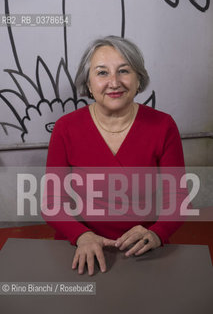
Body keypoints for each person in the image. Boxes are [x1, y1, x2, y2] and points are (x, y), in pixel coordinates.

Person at [45, 35, 185, 276]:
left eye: (124, 71)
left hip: (142, 249)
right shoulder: (65, 127)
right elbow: (52, 203)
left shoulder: (163, 125)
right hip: (79, 245)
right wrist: (82, 236)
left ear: (138, 78)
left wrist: (157, 232)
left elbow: (179, 199)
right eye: (102, 73)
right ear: (88, 83)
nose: (114, 82)